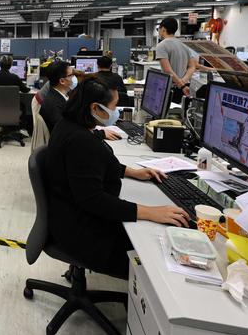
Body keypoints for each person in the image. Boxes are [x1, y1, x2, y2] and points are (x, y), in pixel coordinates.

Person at [45, 78, 190, 278]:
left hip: (69, 216)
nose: (117, 111)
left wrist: (131, 172)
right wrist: (149, 212)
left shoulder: (72, 126)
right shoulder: (81, 141)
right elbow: (93, 200)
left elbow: (95, 166)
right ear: (95, 108)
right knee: (155, 256)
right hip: (81, 232)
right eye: (114, 106)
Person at [156, 17, 195, 103]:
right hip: (186, 86)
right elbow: (192, 67)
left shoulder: (161, 46)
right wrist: (184, 81)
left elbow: (167, 71)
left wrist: (181, 84)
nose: (158, 32)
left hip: (172, 88)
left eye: (158, 29)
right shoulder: (185, 45)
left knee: (170, 114)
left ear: (163, 29)